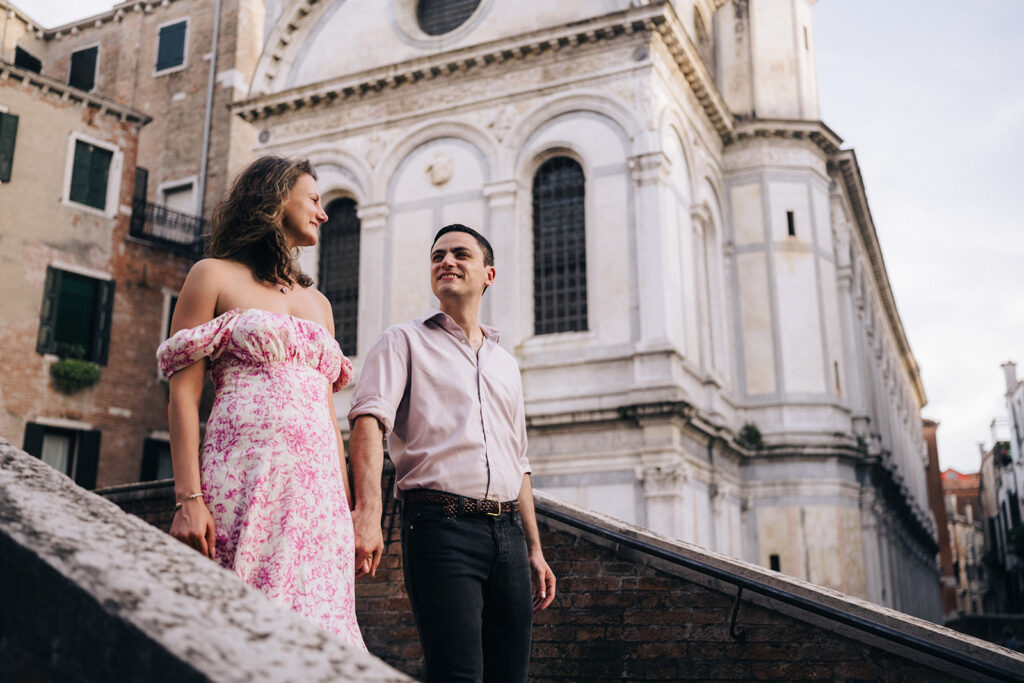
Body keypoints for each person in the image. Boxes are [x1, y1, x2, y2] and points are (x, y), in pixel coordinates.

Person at [156, 156, 364, 646]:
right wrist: (189, 500)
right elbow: (182, 399)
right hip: (244, 479)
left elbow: (329, 419)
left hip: (319, 500)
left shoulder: (321, 305)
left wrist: (347, 507)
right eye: (314, 199)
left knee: (322, 638)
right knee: (240, 629)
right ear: (274, 197)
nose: (324, 212)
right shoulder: (211, 276)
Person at [348, 224, 556, 682]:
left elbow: (517, 459)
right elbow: (367, 421)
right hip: (440, 527)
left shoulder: (506, 363)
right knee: (458, 674)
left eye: (461, 254)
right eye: (438, 255)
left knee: (510, 675)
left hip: (508, 534)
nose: (447, 261)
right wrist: (367, 511)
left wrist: (535, 549)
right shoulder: (402, 340)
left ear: (489, 274)